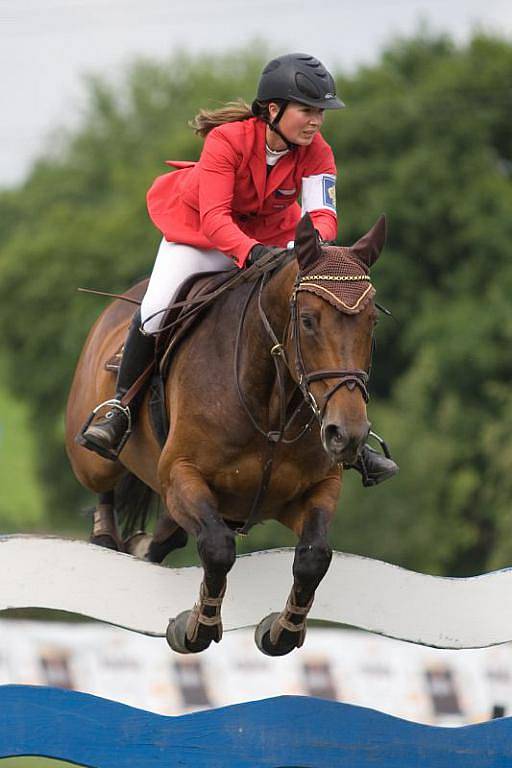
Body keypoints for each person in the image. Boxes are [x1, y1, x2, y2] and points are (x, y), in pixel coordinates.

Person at [79, 52, 398, 486]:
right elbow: (214, 217)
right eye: (307, 110)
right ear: (273, 109)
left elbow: (323, 215)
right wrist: (251, 254)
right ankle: (118, 409)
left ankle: (351, 434)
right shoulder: (228, 141)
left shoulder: (318, 152)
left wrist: (313, 251)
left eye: (321, 112)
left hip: (275, 238)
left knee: (317, 314)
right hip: (201, 236)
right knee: (155, 308)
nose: (316, 121)